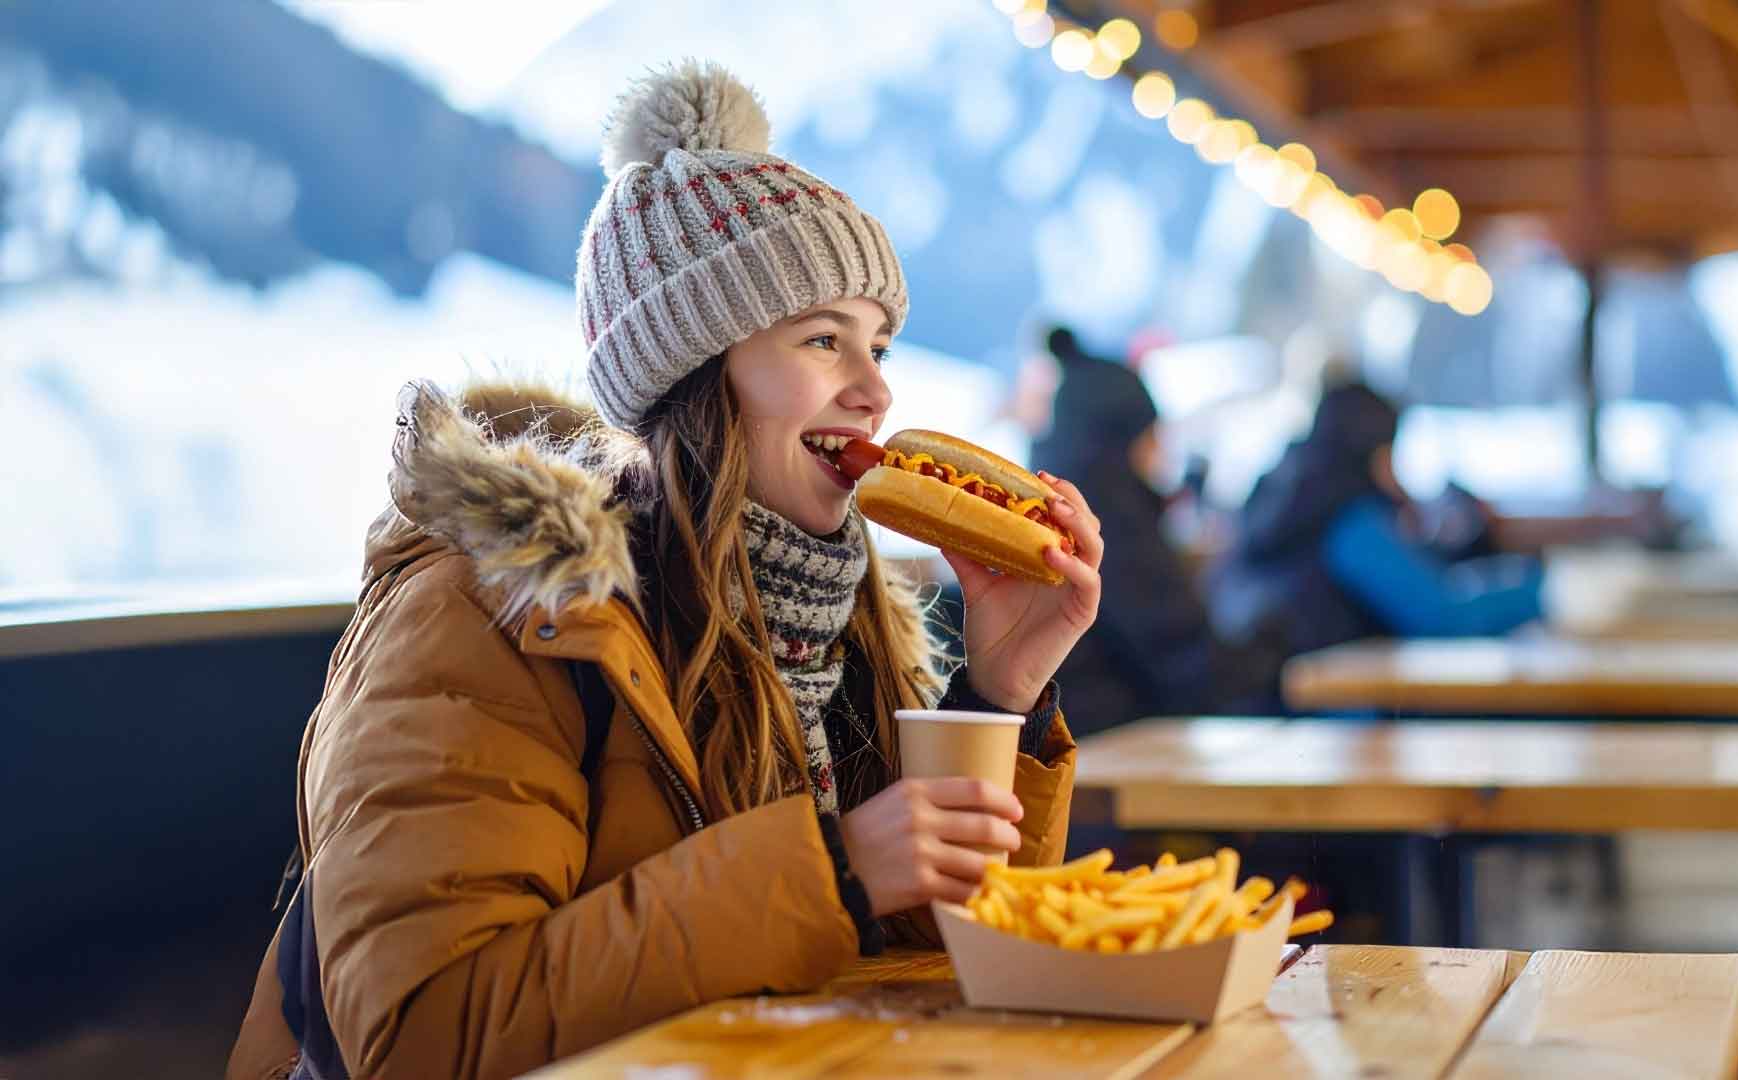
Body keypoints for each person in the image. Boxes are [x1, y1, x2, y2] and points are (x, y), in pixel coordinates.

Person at [228, 63, 1102, 1080]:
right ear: (692, 368)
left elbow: (933, 958)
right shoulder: (492, 612)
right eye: (824, 339)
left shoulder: (837, 622)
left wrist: (997, 693)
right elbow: (429, 1035)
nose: (875, 390)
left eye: (880, 345)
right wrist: (833, 870)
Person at [1030, 327, 1279, 733]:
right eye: (1152, 438)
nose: (1161, 453)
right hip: (1105, 750)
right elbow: (1186, 664)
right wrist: (1275, 641)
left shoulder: (1047, 510)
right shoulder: (1107, 525)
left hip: (1072, 745)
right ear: (1120, 441)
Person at [1209, 382, 1542, 660]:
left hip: (1272, 704)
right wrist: (1553, 592)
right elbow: (1441, 616)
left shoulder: (1288, 496)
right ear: (1374, 452)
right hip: (1333, 718)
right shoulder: (1349, 519)